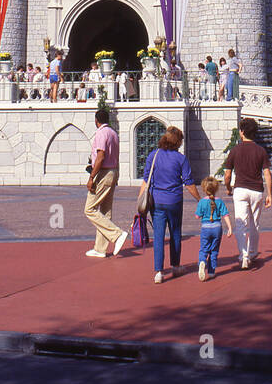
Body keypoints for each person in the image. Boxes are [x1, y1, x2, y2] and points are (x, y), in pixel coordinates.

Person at [137, 125, 200, 283]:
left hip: (156, 201)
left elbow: (146, 180)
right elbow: (189, 183)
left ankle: (159, 271)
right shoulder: (181, 159)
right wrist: (200, 199)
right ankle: (175, 265)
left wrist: (140, 204)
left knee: (158, 236)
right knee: (175, 233)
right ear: (178, 142)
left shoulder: (153, 155)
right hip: (174, 201)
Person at [223, 117, 272, 270]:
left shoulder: (235, 150)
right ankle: (252, 252)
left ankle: (243, 255)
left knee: (241, 223)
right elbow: (267, 173)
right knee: (254, 224)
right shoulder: (260, 150)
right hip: (256, 190)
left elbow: (227, 174)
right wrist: (270, 194)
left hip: (240, 189)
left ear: (242, 132)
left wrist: (228, 187)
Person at [85, 106, 126, 258]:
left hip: (104, 172)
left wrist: (91, 178)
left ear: (96, 121)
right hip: (113, 171)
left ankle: (117, 234)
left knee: (89, 209)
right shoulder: (113, 133)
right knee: (105, 211)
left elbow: (101, 156)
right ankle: (100, 248)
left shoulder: (101, 133)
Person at [196, 176, 234, 281]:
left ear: (204, 189)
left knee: (204, 248)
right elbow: (225, 214)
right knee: (214, 250)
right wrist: (230, 227)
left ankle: (202, 261)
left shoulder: (202, 202)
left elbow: (197, 216)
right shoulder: (220, 201)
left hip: (206, 227)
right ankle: (211, 271)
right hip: (217, 227)